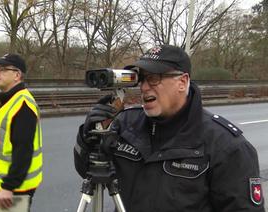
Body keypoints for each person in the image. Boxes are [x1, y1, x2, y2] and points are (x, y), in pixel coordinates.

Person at [74, 45, 265, 211]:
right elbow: (89, 171)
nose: (144, 87)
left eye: (154, 79)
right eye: (141, 79)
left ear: (182, 82)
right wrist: (89, 137)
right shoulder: (124, 124)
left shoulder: (226, 145)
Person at [0, 53, 43, 212]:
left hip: (16, 185)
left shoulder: (22, 106)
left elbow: (23, 151)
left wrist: (8, 187)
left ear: (17, 75)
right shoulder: (11, 100)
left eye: (3, 69)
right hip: (1, 181)